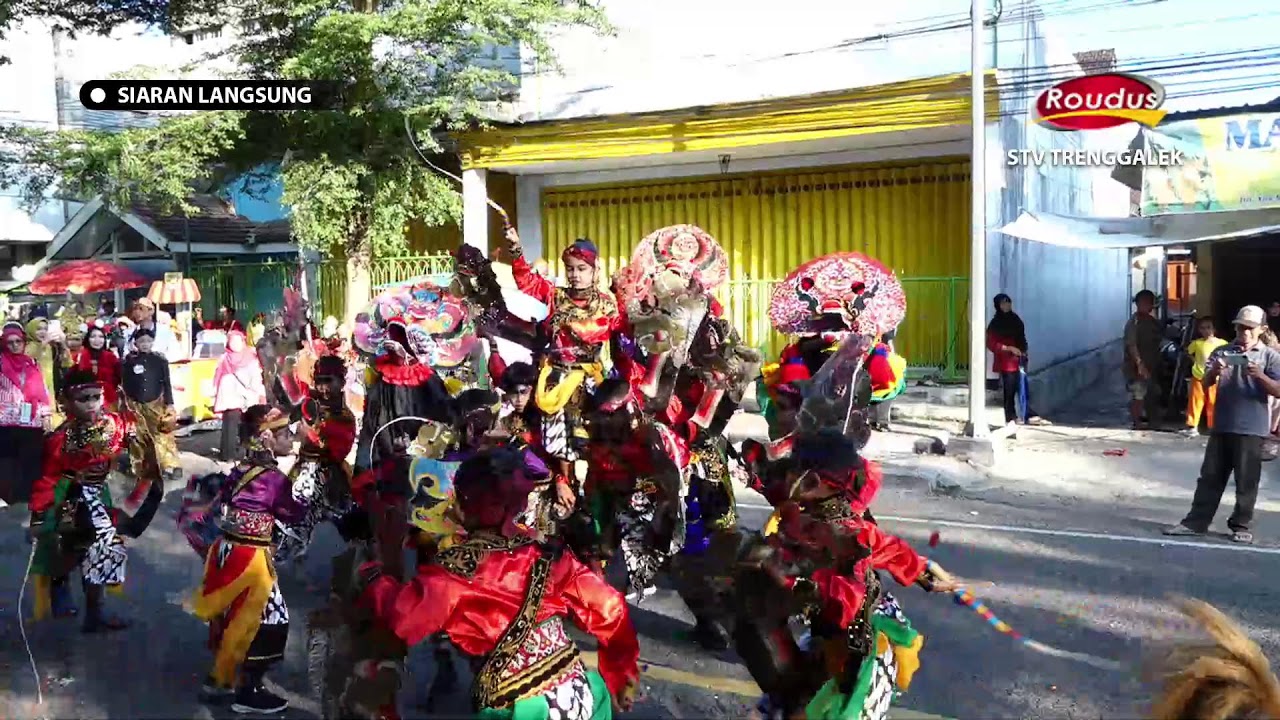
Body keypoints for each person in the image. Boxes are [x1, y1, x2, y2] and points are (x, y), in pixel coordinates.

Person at [357, 446, 641, 719]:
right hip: (579, 697)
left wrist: (376, 572)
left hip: (523, 709)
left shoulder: (456, 571)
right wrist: (621, 671)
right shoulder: (546, 552)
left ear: (465, 505)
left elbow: (401, 618)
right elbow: (610, 608)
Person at [193, 405, 307, 713]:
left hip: (229, 551)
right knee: (270, 619)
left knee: (233, 616)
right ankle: (248, 689)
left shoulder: (241, 469)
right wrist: (306, 499)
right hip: (251, 558)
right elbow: (292, 513)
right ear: (266, 439)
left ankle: (219, 681)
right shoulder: (273, 479)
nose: (291, 439)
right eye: (285, 434)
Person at [28, 368, 161, 632]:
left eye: (96, 397)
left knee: (100, 551)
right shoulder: (61, 437)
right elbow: (49, 476)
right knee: (71, 550)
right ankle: (59, 583)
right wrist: (41, 512)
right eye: (83, 399)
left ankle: (94, 615)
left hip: (100, 494)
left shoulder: (114, 424)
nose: (91, 404)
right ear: (68, 402)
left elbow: (137, 444)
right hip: (68, 495)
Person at [1165, 305, 1280, 545]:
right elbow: (1205, 382)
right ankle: (1195, 523)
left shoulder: (1270, 356)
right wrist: (1215, 370)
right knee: (1210, 477)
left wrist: (1260, 376)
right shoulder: (1222, 351)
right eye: (1240, 327)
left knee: (1247, 481)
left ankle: (1241, 525)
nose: (1244, 332)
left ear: (1262, 329)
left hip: (1252, 428)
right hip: (1222, 424)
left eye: (1249, 328)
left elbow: (1278, 390)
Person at [120, 328, 182, 508]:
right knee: (138, 437)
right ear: (135, 344)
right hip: (135, 406)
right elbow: (124, 384)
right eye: (141, 342)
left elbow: (167, 383)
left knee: (162, 435)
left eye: (148, 341)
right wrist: (125, 403)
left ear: (152, 342)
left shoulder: (160, 360)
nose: (145, 344)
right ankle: (140, 467)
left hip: (156, 403)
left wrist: (169, 403)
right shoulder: (128, 362)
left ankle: (170, 465)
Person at [0, 322, 52, 505]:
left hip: (30, 420)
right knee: (6, 463)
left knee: (30, 462)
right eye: (10, 342)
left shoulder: (31, 363)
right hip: (5, 422)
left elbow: (42, 391)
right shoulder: (1, 362)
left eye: (18, 342)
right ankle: (6, 499)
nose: (15, 346)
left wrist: (46, 414)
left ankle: (26, 501)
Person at [986, 293, 1047, 427]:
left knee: (1023, 388)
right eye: (1003, 303)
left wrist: (1024, 350)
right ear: (998, 306)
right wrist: (1008, 348)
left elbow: (1021, 337)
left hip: (1020, 360)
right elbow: (991, 343)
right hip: (1006, 362)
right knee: (1009, 390)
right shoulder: (995, 324)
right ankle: (1010, 417)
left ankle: (1027, 414)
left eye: (1008, 302)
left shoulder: (1015, 319)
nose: (1006, 305)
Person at [213, 330, 267, 462]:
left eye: (237, 341)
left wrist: (259, 393)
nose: (235, 344)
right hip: (232, 396)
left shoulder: (248, 356)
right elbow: (217, 377)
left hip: (241, 396)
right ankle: (229, 454)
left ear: (243, 342)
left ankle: (237, 453)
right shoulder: (227, 358)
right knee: (231, 423)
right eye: (232, 341)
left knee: (241, 424)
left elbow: (256, 378)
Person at [1125, 290, 1165, 430]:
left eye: (1150, 303)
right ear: (1138, 304)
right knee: (1138, 393)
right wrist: (1139, 364)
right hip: (1136, 366)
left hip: (1151, 364)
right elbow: (1132, 345)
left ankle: (1151, 419)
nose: (1148, 306)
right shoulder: (1134, 323)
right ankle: (1136, 422)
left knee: (1151, 393)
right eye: (1145, 303)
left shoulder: (1152, 322)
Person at [1182, 316, 1227, 438]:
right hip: (1199, 376)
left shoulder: (1222, 343)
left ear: (1214, 329)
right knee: (1195, 401)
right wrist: (1194, 361)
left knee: (1213, 402)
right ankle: (1193, 426)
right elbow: (1187, 352)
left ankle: (1212, 427)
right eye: (1202, 328)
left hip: (1215, 377)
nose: (1206, 330)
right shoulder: (1197, 343)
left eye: (1208, 327)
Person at [75, 326, 122, 411]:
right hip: (87, 401)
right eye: (93, 336)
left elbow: (119, 377)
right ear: (88, 339)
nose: (97, 340)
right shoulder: (81, 356)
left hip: (109, 399)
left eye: (101, 337)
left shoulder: (111, 357)